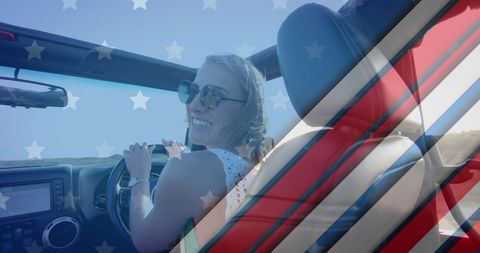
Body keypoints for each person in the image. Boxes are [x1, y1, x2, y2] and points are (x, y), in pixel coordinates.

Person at [123, 54, 273, 253]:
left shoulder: (186, 169)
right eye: (192, 91)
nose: (193, 105)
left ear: (246, 109)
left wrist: (139, 177)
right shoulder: (261, 165)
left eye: (214, 96)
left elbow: (146, 243)